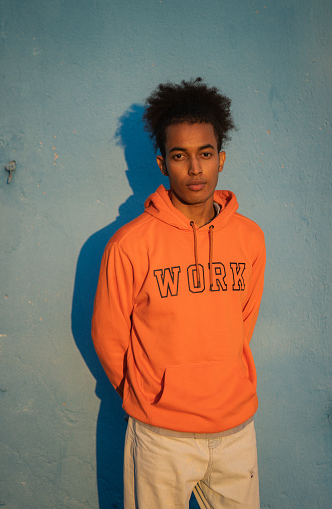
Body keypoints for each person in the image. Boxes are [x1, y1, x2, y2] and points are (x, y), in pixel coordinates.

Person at [91, 78, 266, 509]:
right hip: (159, 437)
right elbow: (108, 338)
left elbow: (242, 321)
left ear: (220, 159)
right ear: (162, 162)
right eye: (180, 156)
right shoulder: (128, 245)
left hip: (235, 431)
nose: (194, 169)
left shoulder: (250, 238)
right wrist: (152, 397)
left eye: (205, 154)